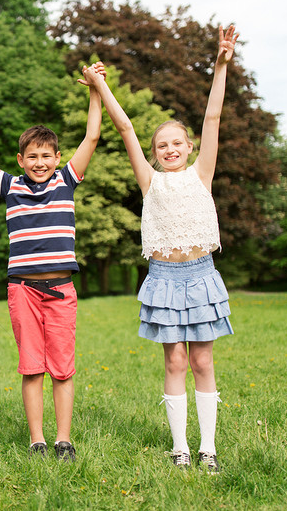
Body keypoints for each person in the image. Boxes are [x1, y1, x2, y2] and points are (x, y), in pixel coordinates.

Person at [84, 25, 238, 473]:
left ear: (189, 148)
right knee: (174, 359)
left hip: (202, 274)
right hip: (164, 280)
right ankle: (180, 448)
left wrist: (220, 64)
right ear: (154, 154)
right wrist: (102, 86)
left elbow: (212, 118)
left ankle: (208, 447)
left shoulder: (201, 174)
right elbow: (125, 126)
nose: (170, 149)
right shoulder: (150, 182)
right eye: (162, 145)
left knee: (203, 360)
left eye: (177, 143)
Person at [0, 64, 105, 461]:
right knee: (31, 368)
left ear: (57, 157)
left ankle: (63, 440)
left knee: (63, 367)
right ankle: (38, 440)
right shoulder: (11, 185)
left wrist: (96, 89)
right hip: (23, 290)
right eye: (32, 157)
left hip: (61, 291)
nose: (39, 163)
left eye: (46, 156)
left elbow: (92, 135)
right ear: (20, 159)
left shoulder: (67, 180)